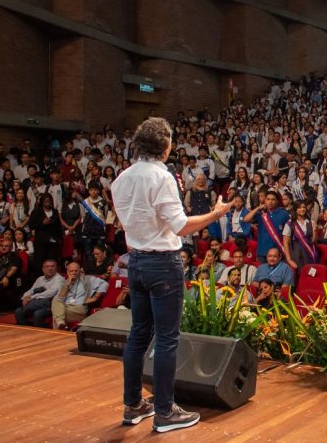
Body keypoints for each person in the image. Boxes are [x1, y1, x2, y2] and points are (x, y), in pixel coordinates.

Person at [112, 117, 233, 432]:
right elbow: (182, 226)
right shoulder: (161, 177)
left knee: (138, 334)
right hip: (163, 263)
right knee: (167, 338)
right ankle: (165, 411)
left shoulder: (121, 179)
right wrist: (217, 214)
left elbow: (127, 223)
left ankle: (133, 404)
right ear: (165, 146)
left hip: (135, 262)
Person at [52, 261, 108, 329]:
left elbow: (104, 284)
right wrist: (67, 284)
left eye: (76, 270)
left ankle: (60, 326)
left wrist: (95, 297)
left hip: (79, 308)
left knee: (56, 314)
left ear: (80, 270)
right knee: (55, 301)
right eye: (71, 271)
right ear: (67, 272)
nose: (74, 273)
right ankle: (61, 324)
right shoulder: (66, 282)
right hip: (67, 307)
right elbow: (60, 299)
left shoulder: (88, 279)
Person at [15, 258, 65, 326]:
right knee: (18, 311)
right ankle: (24, 331)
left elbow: (51, 293)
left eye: (53, 266)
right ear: (43, 269)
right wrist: (25, 297)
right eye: (47, 266)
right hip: (37, 302)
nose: (50, 268)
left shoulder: (60, 279)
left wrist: (32, 297)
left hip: (50, 304)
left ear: (56, 268)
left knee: (37, 313)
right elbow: (31, 290)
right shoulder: (40, 279)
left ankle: (39, 334)